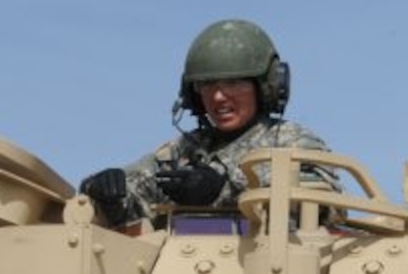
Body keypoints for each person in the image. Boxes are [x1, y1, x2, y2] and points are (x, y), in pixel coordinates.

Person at [80, 19, 339, 227]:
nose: (217, 96)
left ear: (265, 87)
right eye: (207, 84)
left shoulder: (292, 142)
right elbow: (138, 190)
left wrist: (223, 189)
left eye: (233, 82)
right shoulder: (184, 151)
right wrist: (104, 189)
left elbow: (320, 205)